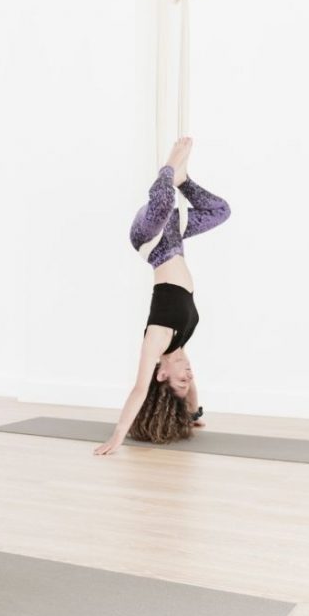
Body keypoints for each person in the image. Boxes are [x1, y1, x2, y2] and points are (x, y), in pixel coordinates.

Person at [95, 137, 230, 454]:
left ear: (162, 374)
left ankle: (168, 168)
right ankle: (182, 180)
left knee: (162, 203)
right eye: (189, 379)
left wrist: (117, 437)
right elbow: (190, 391)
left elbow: (140, 389)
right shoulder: (182, 344)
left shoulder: (158, 339)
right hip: (174, 235)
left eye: (180, 380)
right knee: (220, 211)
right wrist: (192, 414)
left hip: (150, 237)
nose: (189, 375)